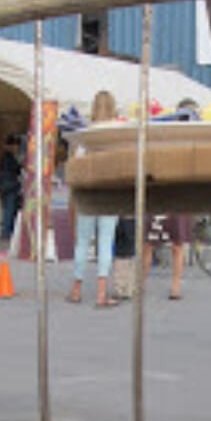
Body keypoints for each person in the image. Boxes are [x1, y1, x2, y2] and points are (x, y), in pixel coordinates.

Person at [66, 89, 119, 308]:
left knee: (83, 241)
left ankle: (76, 289)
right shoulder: (117, 135)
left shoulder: (84, 134)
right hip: (109, 193)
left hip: (87, 193)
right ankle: (100, 293)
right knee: (106, 242)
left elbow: (75, 166)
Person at [0, 134, 22, 240]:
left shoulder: (6, 157)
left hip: (6, 186)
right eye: (15, 146)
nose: (16, 148)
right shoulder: (8, 157)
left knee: (8, 208)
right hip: (9, 186)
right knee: (9, 208)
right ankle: (6, 232)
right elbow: (15, 170)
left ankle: (7, 230)